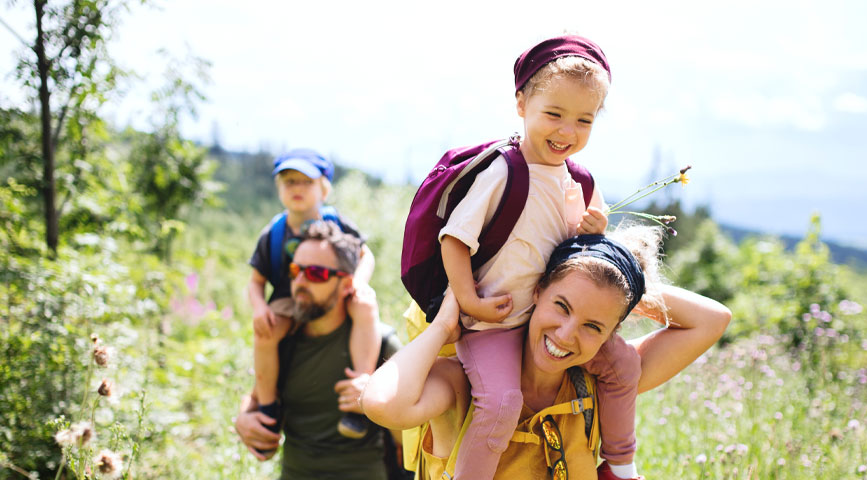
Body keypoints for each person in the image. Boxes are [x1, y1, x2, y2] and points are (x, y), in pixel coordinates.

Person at [413, 34, 644, 479]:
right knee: (501, 405)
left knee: (622, 364)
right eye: (553, 114)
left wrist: (592, 234)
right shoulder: (504, 171)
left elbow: (575, 257)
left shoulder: (580, 181)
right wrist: (470, 302)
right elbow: (454, 239)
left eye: (584, 120)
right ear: (521, 103)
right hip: (494, 324)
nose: (566, 132)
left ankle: (618, 465)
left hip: (547, 318)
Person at [367, 229, 730, 480]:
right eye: (562, 305)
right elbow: (383, 404)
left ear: (610, 334)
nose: (566, 335)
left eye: (593, 326)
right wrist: (444, 326)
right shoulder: (465, 384)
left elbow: (713, 320)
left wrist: (621, 282)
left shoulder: (599, 387)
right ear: (536, 291)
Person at [234, 222, 404, 479]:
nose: (300, 282)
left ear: (347, 284)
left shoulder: (382, 344)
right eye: (295, 270)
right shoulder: (282, 342)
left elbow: (414, 440)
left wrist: (379, 403)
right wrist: (243, 420)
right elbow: (254, 398)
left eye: (315, 273)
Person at [247, 149, 382, 441]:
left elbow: (365, 255)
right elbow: (256, 281)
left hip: (334, 291)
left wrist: (358, 282)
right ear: (279, 188)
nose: (297, 189)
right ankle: (269, 407)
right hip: (288, 298)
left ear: (324, 188)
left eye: (306, 182)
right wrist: (259, 308)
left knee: (365, 306)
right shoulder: (273, 233)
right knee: (265, 334)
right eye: (289, 181)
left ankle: (358, 394)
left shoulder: (338, 223)